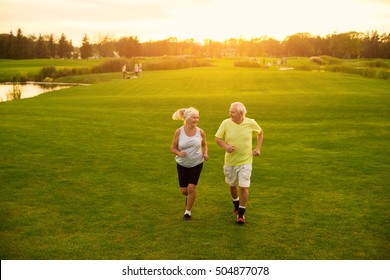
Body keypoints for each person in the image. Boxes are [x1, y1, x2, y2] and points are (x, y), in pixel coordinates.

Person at [215, 102, 263, 224]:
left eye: (232, 112)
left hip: (246, 161)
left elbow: (260, 132)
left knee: (244, 186)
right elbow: (217, 139)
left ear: (241, 114)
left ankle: (241, 214)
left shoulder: (250, 122)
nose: (229, 113)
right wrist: (226, 146)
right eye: (230, 111)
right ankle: (236, 204)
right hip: (230, 162)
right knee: (232, 185)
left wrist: (258, 148)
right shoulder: (226, 123)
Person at [171, 107, 209, 220]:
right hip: (182, 163)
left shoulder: (200, 131)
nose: (197, 120)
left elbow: (204, 144)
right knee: (184, 190)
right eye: (194, 117)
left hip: (197, 162)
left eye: (198, 117)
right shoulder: (179, 132)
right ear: (187, 118)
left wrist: (205, 153)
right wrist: (179, 153)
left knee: (191, 188)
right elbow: (172, 148)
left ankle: (187, 212)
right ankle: (189, 197)